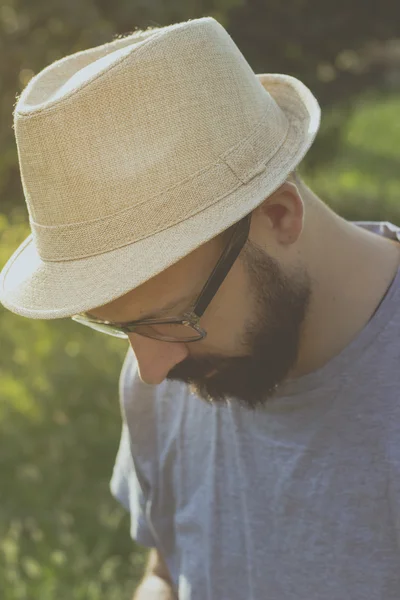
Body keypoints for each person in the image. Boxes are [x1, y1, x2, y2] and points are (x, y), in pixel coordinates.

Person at [1, 15, 400, 600]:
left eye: (172, 314)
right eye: (117, 326)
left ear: (279, 215)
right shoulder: (168, 362)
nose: (151, 370)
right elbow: (168, 570)